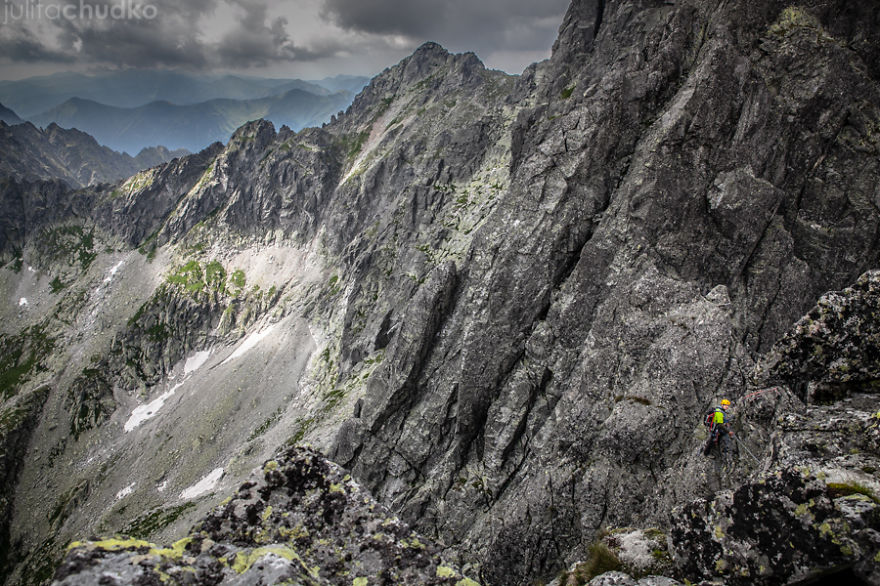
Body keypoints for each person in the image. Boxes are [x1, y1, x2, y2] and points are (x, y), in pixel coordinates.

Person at [711, 399, 734, 483]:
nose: (727, 407)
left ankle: (726, 461)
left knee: (725, 446)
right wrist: (729, 431)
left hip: (720, 432)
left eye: (728, 405)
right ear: (722, 405)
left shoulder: (720, 411)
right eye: (725, 405)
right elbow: (720, 424)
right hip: (721, 432)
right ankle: (726, 463)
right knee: (726, 446)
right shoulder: (719, 412)